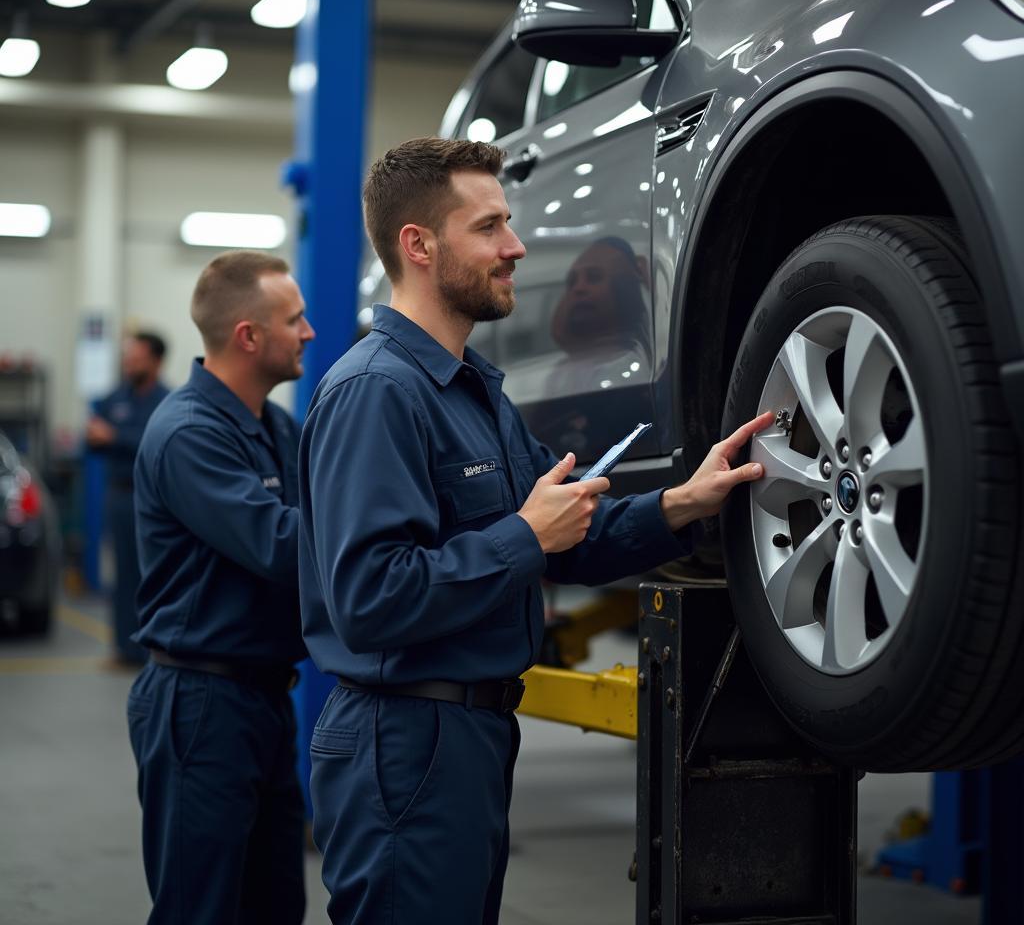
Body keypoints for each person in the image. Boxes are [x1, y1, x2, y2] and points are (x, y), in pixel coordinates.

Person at [298, 137, 772, 925]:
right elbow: (371, 599)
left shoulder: (474, 393)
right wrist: (523, 534)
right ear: (418, 245)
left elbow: (570, 535)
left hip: (468, 739)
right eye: (488, 227)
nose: (515, 247)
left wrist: (681, 505)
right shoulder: (376, 393)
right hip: (405, 742)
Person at [126, 250, 315, 925]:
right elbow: (283, 544)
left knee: (274, 904)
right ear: (249, 336)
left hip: (262, 696)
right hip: (200, 702)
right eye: (295, 320)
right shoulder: (188, 434)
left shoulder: (277, 426)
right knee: (200, 908)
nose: (310, 332)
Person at [86, 331, 169, 666]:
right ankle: (123, 648)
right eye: (127, 357)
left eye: (136, 357)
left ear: (155, 360)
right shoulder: (114, 398)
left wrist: (115, 436)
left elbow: (156, 444)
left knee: (153, 574)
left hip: (152, 500)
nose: (129, 363)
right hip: (119, 497)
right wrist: (99, 437)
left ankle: (152, 647)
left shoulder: (167, 400)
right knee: (122, 575)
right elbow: (92, 441)